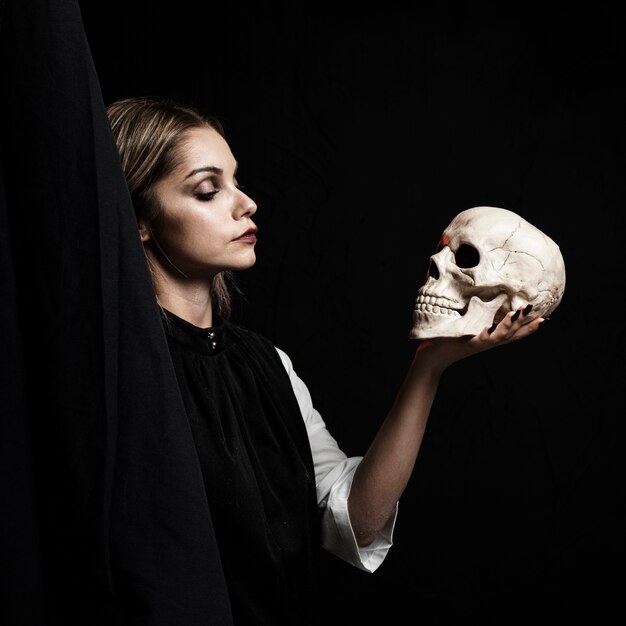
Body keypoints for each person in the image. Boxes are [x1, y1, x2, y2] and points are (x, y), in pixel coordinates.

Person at [104, 96, 545, 625]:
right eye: (207, 189)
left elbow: (354, 521)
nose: (246, 204)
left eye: (236, 181)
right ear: (138, 221)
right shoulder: (114, 373)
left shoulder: (267, 365)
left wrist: (430, 366)